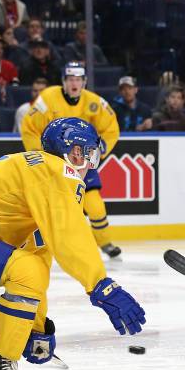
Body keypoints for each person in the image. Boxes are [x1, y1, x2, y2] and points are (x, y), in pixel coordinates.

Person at [0, 117, 145, 370]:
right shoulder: (55, 172)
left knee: (28, 267)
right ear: (73, 152)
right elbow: (69, 236)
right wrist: (101, 285)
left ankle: (1, 368)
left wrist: (34, 328)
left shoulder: (43, 174)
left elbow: (40, 256)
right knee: (24, 268)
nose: (90, 161)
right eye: (87, 152)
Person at [20, 62, 123, 259]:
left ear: (84, 82)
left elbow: (111, 128)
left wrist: (100, 150)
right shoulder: (48, 98)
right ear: (63, 81)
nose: (74, 83)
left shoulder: (94, 102)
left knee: (95, 205)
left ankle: (105, 242)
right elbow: (29, 127)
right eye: (70, 79)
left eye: (78, 79)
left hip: (82, 162)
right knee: (51, 207)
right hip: (54, 163)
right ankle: (40, 244)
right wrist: (39, 155)